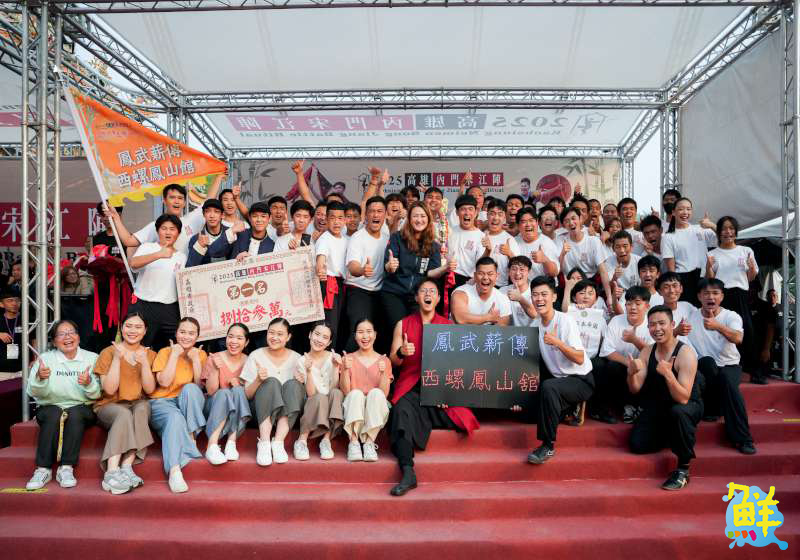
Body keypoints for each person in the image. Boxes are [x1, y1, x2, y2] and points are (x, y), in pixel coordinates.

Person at [388, 280, 479, 496]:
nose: (428, 294)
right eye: (423, 291)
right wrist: (401, 352)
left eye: (432, 291)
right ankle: (408, 471)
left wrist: (446, 392)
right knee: (400, 413)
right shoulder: (403, 324)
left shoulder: (448, 326)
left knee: (460, 415)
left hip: (438, 389)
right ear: (417, 297)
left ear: (438, 299)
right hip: (411, 386)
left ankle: (423, 417)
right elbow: (393, 360)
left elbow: (455, 366)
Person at [628, 305, 703, 491]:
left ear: (672, 324)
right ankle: (671, 435)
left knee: (679, 412)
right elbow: (635, 389)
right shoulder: (647, 351)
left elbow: (683, 398)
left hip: (687, 404)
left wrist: (668, 374)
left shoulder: (686, 353)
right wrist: (631, 373)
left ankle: (683, 469)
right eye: (652, 325)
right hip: (660, 405)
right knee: (637, 444)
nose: (657, 329)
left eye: (662, 323)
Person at [24, 320, 99, 491]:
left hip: (82, 407)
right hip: (50, 406)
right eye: (62, 334)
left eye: (71, 332)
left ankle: (66, 468)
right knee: (53, 414)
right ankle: (43, 470)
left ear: (78, 336)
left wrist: (88, 383)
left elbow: (97, 394)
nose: (68, 337)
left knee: (75, 414)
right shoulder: (45, 359)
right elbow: (32, 392)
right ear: (54, 341)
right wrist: (40, 379)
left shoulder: (92, 358)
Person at [527, 276, 594, 465]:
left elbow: (580, 358)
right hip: (558, 379)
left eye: (544, 294)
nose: (539, 299)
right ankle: (569, 408)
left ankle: (547, 446)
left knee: (549, 387)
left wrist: (557, 342)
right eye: (535, 295)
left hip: (580, 380)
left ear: (554, 297)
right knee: (528, 412)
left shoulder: (565, 321)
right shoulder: (535, 325)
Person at [688, 278, 756, 455]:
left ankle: (743, 439)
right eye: (706, 293)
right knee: (707, 363)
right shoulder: (691, 317)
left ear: (722, 296)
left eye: (715, 293)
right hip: (705, 367)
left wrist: (718, 326)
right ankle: (712, 409)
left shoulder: (731, 316)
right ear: (699, 296)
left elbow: (738, 338)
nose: (711, 297)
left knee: (727, 380)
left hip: (729, 364)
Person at [93, 312, 157, 495]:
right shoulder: (108, 352)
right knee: (123, 414)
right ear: (121, 328)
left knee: (143, 408)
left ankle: (127, 467)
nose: (133, 331)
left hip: (136, 403)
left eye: (138, 327)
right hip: (109, 405)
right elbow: (109, 390)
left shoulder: (150, 355)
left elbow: (150, 390)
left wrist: (144, 363)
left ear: (145, 331)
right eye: (128, 326)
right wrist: (116, 358)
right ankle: (111, 472)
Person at [148, 317, 207, 493]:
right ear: (176, 333)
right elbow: (164, 382)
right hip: (162, 402)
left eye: (191, 333)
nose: (186, 336)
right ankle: (174, 471)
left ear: (197, 336)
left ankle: (191, 436)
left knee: (191, 388)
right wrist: (174, 355)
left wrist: (195, 360)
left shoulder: (200, 354)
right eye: (182, 332)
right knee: (175, 417)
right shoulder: (165, 352)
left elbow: (199, 387)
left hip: (185, 402)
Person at [240, 318, 304, 466]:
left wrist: (301, 382)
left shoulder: (297, 359)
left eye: (280, 334)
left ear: (288, 337)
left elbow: (304, 396)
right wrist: (258, 380)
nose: (274, 337)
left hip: (287, 415)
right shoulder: (256, 355)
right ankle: (264, 443)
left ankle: (278, 442)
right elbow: (247, 395)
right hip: (261, 413)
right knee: (271, 382)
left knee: (294, 385)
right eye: (271, 333)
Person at [381, 202, 450, 334]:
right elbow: (388, 265)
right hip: (394, 293)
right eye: (415, 216)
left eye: (423, 216)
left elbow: (431, 273)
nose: (419, 220)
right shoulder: (397, 238)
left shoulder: (433, 245)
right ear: (409, 219)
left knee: (417, 331)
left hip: (417, 296)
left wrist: (445, 267)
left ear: (428, 219)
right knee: (399, 329)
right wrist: (390, 266)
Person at [105, 180, 223, 253]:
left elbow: (208, 201)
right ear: (164, 201)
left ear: (184, 202)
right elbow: (128, 241)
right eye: (172, 197)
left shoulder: (191, 220)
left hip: (185, 278)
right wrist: (116, 218)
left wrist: (219, 177)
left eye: (180, 198)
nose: (176, 201)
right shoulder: (156, 226)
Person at [591, 286, 653, 424]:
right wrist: (628, 363)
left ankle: (633, 406)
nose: (633, 307)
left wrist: (635, 340)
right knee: (600, 364)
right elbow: (606, 351)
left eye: (638, 303)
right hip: (619, 365)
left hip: (642, 367)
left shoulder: (652, 324)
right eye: (629, 304)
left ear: (647, 306)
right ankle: (599, 408)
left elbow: (653, 353)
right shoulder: (616, 321)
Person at [129, 214, 187, 351]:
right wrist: (159, 254)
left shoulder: (182, 257)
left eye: (172, 229)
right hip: (143, 305)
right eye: (164, 228)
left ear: (178, 233)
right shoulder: (147, 247)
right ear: (157, 231)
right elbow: (133, 264)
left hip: (170, 309)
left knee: (173, 348)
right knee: (139, 347)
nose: (168, 232)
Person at [707, 216, 758, 362]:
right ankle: (723, 363)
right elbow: (710, 280)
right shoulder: (712, 254)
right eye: (724, 229)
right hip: (720, 296)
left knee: (746, 329)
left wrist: (752, 268)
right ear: (718, 232)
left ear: (736, 232)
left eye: (731, 228)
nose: (728, 232)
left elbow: (750, 278)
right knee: (722, 330)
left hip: (741, 295)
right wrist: (708, 267)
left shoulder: (746, 251)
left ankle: (750, 367)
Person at [341, 318, 392, 462]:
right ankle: (353, 442)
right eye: (360, 332)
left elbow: (384, 394)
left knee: (376, 393)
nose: (365, 336)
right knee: (355, 394)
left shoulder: (384, 360)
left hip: (374, 408)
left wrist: (383, 372)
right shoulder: (348, 358)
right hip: (353, 406)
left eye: (369, 332)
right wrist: (345, 369)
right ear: (355, 336)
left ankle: (369, 443)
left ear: (375, 335)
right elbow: (345, 391)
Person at [201, 323, 251, 465]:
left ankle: (231, 442)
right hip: (214, 408)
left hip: (235, 411)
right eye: (231, 336)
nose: (234, 341)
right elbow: (210, 391)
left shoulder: (249, 361)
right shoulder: (214, 358)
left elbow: (250, 396)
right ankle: (212, 445)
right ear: (226, 338)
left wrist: (240, 385)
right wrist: (215, 369)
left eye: (239, 338)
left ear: (246, 342)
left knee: (238, 390)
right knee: (224, 393)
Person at [344, 196, 389, 352]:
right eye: (371, 211)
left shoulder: (387, 238)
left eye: (379, 211)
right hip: (358, 291)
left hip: (380, 293)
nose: (375, 215)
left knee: (381, 336)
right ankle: (345, 365)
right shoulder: (358, 237)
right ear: (366, 215)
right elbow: (352, 266)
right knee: (359, 333)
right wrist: (362, 270)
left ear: (385, 215)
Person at [293, 323, 344, 461]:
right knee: (320, 397)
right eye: (317, 334)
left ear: (329, 342)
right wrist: (309, 371)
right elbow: (311, 394)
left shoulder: (334, 357)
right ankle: (301, 440)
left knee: (337, 393)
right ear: (310, 335)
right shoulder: (301, 361)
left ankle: (326, 440)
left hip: (331, 403)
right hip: (313, 404)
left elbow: (334, 388)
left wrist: (335, 368)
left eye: (325, 337)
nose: (319, 340)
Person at [662, 197, 717, 306]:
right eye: (681, 209)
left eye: (688, 209)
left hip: (704, 277)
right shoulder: (668, 237)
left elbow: (724, 239)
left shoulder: (700, 229)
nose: (685, 212)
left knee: (705, 311)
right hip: (684, 280)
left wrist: (711, 225)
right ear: (673, 212)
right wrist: (676, 288)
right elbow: (671, 270)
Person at [557, 206, 613, 309]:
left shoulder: (593, 241)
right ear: (563, 225)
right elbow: (558, 271)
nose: (571, 223)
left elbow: (603, 271)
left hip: (591, 283)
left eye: (573, 218)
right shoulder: (560, 241)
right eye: (566, 221)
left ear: (580, 219)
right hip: (570, 284)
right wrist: (562, 254)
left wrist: (609, 297)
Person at [316, 201, 349, 349]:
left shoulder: (346, 239)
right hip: (328, 284)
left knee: (340, 324)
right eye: (332, 218)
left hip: (342, 284)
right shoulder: (324, 238)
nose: (336, 222)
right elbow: (321, 260)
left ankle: (334, 354)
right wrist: (320, 270)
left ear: (345, 220)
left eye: (340, 218)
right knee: (329, 324)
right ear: (326, 219)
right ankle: (326, 354)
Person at [451, 256, 512, 325]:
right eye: (481, 273)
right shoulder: (461, 293)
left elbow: (502, 327)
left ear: (496, 276)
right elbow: (460, 319)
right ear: (475, 276)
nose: (485, 277)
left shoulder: (502, 298)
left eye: (490, 274)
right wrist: (488, 318)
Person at [208, 201, 275, 261]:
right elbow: (213, 251)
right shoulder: (239, 235)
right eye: (255, 216)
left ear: (269, 219)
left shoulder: (272, 245)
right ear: (249, 218)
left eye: (263, 216)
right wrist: (232, 230)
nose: (259, 220)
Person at [447, 194, 487, 289]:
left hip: (468, 282)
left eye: (470, 209)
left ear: (476, 212)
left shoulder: (481, 236)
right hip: (447, 278)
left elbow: (481, 264)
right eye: (463, 209)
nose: (467, 213)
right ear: (457, 212)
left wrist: (475, 279)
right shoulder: (449, 231)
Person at [514, 207, 559, 281]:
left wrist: (544, 259)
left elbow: (554, 272)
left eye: (531, 220)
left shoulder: (546, 242)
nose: (528, 224)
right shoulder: (514, 242)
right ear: (518, 226)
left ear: (537, 222)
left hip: (544, 285)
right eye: (523, 221)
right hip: (523, 285)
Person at [483, 199, 520, 287]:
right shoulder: (479, 236)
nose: (495, 218)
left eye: (500, 214)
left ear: (504, 218)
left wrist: (509, 253)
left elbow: (519, 266)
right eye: (492, 213)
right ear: (487, 215)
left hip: (501, 287)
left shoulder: (509, 240)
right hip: (480, 284)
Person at [186, 198, 228, 267]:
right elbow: (190, 267)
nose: (212, 216)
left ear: (222, 215)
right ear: (203, 214)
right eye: (208, 211)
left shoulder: (231, 233)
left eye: (216, 211)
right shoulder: (195, 239)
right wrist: (199, 246)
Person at [500, 256, 538, 327]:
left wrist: (520, 298)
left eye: (522, 269)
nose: (517, 273)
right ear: (509, 272)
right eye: (514, 269)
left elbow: (536, 315)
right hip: (510, 332)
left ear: (529, 272)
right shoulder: (502, 291)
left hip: (533, 332)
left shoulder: (537, 292)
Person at [0, 291, 23, 374]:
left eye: (17, 300)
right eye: (10, 300)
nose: (14, 303)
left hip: (24, 368)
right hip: (2, 370)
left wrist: (35, 359)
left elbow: (34, 340)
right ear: (1, 304)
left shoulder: (27, 319)